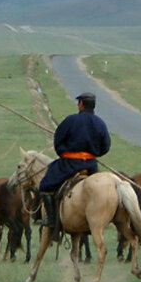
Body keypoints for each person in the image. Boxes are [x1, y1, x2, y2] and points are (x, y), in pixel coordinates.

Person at [37, 92, 111, 228]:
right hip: (91, 165)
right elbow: (105, 146)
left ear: (81, 104)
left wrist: (63, 153)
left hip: (69, 164)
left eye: (79, 103)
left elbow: (58, 141)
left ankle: (51, 220)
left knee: (45, 186)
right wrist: (92, 154)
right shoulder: (100, 123)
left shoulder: (70, 120)